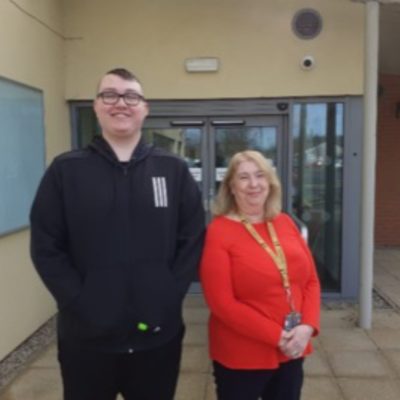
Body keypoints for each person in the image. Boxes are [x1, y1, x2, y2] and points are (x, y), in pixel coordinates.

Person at [30, 67, 205, 400]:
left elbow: (192, 240)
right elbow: (46, 246)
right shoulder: (66, 171)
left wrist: (166, 295)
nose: (120, 103)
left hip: (157, 337)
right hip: (86, 340)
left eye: (131, 96)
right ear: (96, 106)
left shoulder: (173, 171)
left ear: (145, 108)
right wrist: (80, 301)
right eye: (109, 94)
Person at [200, 150, 320, 400]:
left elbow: (310, 280)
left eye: (260, 175)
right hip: (243, 354)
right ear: (231, 186)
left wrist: (307, 326)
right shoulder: (218, 231)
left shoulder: (285, 222)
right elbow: (221, 303)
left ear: (270, 182)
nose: (253, 184)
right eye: (243, 177)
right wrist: (277, 336)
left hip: (293, 347)